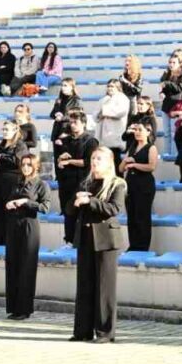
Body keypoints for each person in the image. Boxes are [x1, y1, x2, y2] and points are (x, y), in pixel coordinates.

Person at [70, 148, 128, 343]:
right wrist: (76, 202)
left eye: (99, 159)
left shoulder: (117, 184)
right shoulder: (85, 183)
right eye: (93, 158)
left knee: (105, 287)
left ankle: (105, 332)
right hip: (85, 237)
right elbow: (69, 209)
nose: (94, 162)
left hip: (106, 239)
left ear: (109, 162)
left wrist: (90, 201)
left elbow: (114, 208)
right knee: (84, 285)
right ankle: (82, 331)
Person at [4, 153, 50, 320]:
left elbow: (45, 207)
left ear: (35, 166)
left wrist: (26, 202)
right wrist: (9, 204)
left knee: (26, 266)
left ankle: (24, 309)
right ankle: (13, 307)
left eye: (29, 164)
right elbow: (8, 201)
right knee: (13, 264)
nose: (25, 167)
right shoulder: (16, 182)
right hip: (14, 225)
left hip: (29, 226)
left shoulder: (41, 184)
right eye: (23, 164)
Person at [55, 110, 98, 246]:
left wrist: (70, 161)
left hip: (81, 182)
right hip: (66, 182)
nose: (72, 125)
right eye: (71, 122)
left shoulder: (90, 141)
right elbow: (60, 161)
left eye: (75, 122)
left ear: (84, 123)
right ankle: (68, 240)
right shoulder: (65, 140)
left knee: (79, 212)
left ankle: (81, 242)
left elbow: (88, 162)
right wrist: (60, 159)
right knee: (67, 212)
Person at [0, 121, 28, 247]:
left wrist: (2, 157)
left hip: (12, 182)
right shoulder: (1, 145)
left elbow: (19, 160)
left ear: (15, 130)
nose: (4, 132)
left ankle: (11, 241)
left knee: (11, 211)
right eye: (3, 129)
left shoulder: (20, 145)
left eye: (7, 129)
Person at [119, 121, 159, 251]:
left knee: (142, 216)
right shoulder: (132, 147)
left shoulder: (151, 148)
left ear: (148, 132)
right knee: (131, 216)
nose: (137, 132)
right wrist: (125, 161)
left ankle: (142, 246)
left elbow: (151, 166)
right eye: (135, 130)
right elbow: (121, 169)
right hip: (131, 184)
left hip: (144, 185)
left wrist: (134, 165)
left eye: (140, 130)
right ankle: (133, 245)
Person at [95, 79, 131, 160]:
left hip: (114, 136)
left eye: (112, 86)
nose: (109, 88)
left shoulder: (123, 98)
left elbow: (121, 112)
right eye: (108, 86)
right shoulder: (103, 99)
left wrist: (104, 111)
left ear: (118, 87)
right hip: (103, 136)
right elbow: (96, 115)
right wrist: (99, 114)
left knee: (115, 161)